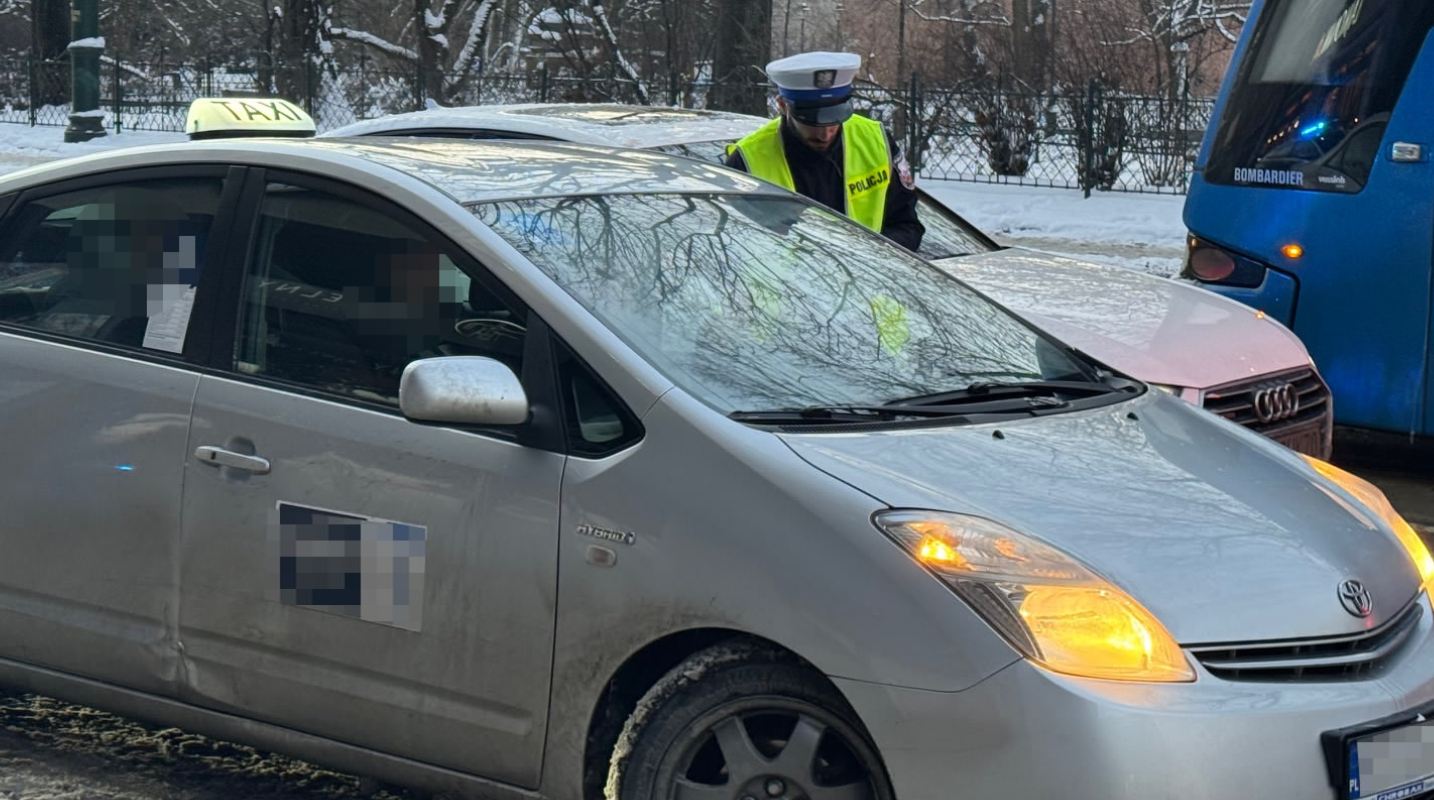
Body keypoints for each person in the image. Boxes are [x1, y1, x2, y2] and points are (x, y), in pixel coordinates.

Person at [725, 51, 925, 252]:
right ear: (783, 106)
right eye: (811, 122)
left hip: (867, 279)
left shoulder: (876, 141)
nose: (825, 134)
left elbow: (907, 226)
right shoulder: (746, 161)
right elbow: (736, 244)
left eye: (835, 119)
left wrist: (868, 257)